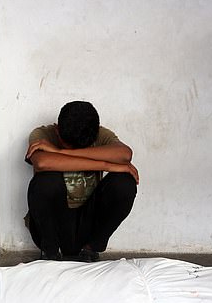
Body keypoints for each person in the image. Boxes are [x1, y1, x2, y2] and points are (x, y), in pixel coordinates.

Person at [25, 101, 139, 262]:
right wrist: (107, 165)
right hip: (55, 225)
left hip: (89, 224)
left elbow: (125, 154)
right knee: (45, 181)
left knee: (124, 183)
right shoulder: (43, 134)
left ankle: (91, 248)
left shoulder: (99, 134)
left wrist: (59, 152)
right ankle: (50, 252)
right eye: (67, 147)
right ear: (57, 129)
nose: (71, 151)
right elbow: (43, 163)